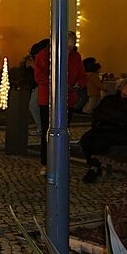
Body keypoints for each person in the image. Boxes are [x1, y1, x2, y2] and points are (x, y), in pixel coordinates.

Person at [33, 32, 86, 172]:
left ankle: (60, 161)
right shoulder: (44, 55)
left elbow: (82, 75)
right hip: (49, 100)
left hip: (68, 99)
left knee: (64, 131)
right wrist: (58, 84)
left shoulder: (76, 57)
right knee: (48, 131)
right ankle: (46, 162)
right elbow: (40, 76)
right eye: (66, 47)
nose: (69, 50)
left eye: (71, 47)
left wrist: (77, 85)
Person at [80, 79, 127, 183]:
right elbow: (97, 112)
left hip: (120, 132)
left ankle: (94, 168)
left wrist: (108, 115)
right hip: (103, 128)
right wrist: (113, 116)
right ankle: (94, 165)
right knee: (86, 139)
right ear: (120, 87)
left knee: (99, 143)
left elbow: (125, 118)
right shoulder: (109, 99)